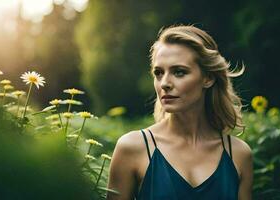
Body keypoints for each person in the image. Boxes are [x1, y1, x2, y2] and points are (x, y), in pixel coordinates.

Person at [106, 24, 253, 200]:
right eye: (159, 73)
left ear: (208, 78)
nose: (165, 83)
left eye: (179, 72)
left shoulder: (238, 154)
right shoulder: (132, 148)